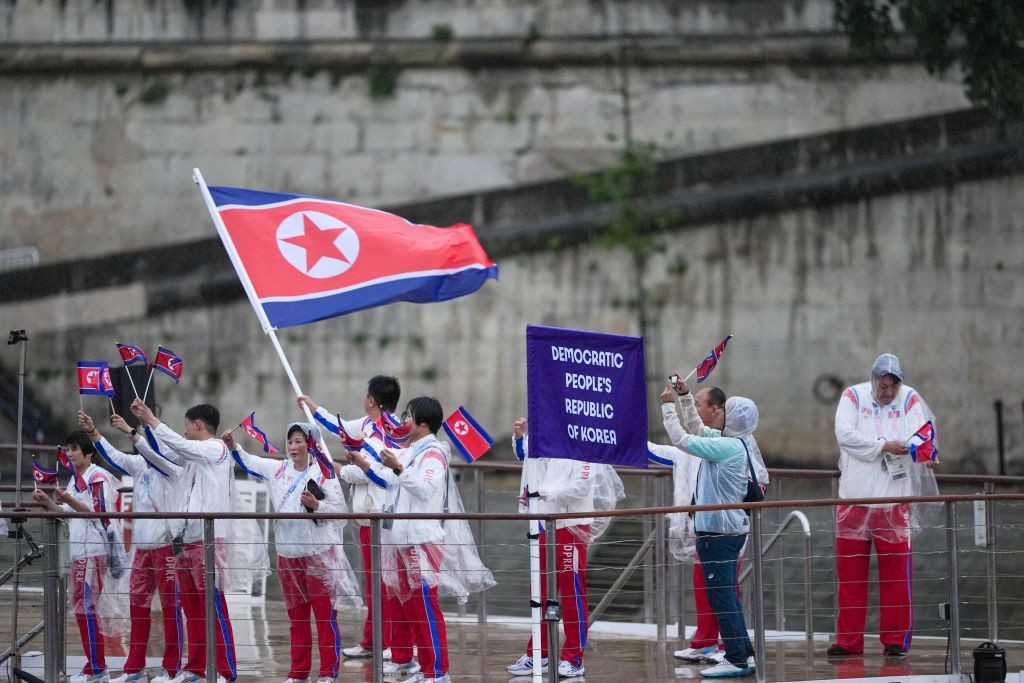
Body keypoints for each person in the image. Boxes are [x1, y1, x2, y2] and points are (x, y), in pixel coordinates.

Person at [347, 397, 493, 683]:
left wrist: (398, 468)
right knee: (412, 607)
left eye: (408, 416)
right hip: (403, 538)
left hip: (422, 541)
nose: (403, 422)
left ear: (423, 422)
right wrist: (366, 466)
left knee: (425, 606)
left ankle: (438, 672)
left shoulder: (435, 454)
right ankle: (426, 669)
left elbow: (425, 489)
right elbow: (392, 483)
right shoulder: (413, 451)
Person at [130, 398, 269, 683]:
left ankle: (226, 671)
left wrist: (152, 420)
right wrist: (142, 431)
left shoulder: (215, 449)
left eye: (186, 427)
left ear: (198, 424)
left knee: (212, 605)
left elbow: (181, 446)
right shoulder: (194, 455)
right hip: (187, 537)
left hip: (209, 539)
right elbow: (164, 453)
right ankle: (195, 667)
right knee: (191, 608)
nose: (184, 432)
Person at [224, 421, 360, 683]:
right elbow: (251, 462)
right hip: (288, 555)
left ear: (311, 444)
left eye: (299, 441)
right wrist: (233, 447)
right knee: (297, 619)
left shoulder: (324, 473)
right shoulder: (278, 469)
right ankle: (298, 674)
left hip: (319, 555)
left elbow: (342, 515)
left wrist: (317, 505)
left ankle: (328, 674)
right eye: (290, 441)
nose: (293, 446)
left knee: (324, 618)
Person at [650, 379, 768, 665]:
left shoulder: (727, 447)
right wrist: (685, 398)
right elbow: (697, 429)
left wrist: (668, 407)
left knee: (723, 597)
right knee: (725, 596)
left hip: (718, 532)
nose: (719, 415)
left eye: (725, 412)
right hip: (724, 530)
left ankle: (737, 657)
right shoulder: (732, 441)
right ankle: (742, 653)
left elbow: (683, 438)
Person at [829, 353, 938, 658]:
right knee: (850, 576)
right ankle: (849, 641)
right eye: (883, 384)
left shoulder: (910, 399)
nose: (888, 391)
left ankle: (896, 640)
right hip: (854, 499)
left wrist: (925, 453)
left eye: (894, 385)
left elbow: (922, 433)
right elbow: (845, 436)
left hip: (894, 501)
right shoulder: (852, 396)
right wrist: (883, 446)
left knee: (896, 577)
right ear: (874, 379)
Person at [505, 417, 623, 679]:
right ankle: (540, 653)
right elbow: (532, 465)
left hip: (572, 526)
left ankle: (574, 657)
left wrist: (542, 493)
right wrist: (521, 439)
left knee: (571, 592)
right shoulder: (551, 438)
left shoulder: (584, 444)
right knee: (540, 590)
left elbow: (581, 487)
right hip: (547, 523)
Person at [297, 375, 401, 660]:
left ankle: (386, 643)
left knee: (383, 584)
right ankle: (375, 641)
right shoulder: (368, 425)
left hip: (382, 520)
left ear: (371, 400)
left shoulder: (386, 433)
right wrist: (313, 409)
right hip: (368, 521)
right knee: (374, 583)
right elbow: (338, 427)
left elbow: (376, 473)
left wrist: (342, 471)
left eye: (365, 395)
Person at [79, 409, 187, 683]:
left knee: (171, 607)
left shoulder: (172, 469)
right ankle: (134, 669)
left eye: (153, 441)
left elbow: (149, 453)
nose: (148, 447)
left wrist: (131, 431)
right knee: (138, 607)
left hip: (165, 548)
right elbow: (115, 457)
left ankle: (171, 668)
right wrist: (95, 433)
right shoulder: (140, 466)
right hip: (142, 549)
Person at [33, 431, 129, 683]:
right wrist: (48, 502)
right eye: (68, 448)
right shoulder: (77, 479)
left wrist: (70, 502)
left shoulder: (97, 478)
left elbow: (99, 515)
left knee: (85, 608)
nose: (70, 453)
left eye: (74, 448)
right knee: (82, 609)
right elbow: (65, 511)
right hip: (80, 551)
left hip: (92, 550)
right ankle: (94, 665)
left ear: (88, 452)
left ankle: (98, 668)